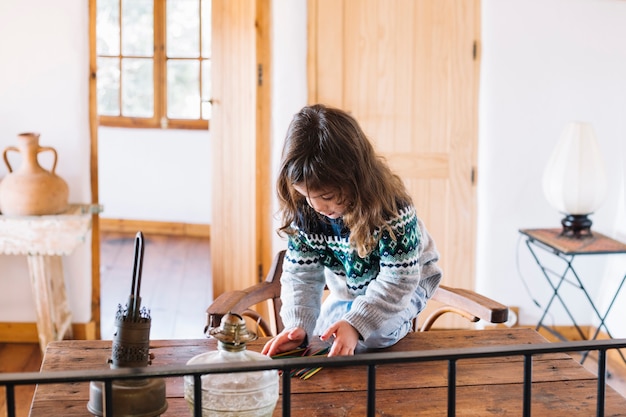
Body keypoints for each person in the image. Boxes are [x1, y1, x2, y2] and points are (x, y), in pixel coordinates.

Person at [262, 104, 442, 358]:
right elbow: (301, 276)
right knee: (324, 337)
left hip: (409, 282)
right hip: (351, 291)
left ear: (354, 177)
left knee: (371, 338)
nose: (317, 206)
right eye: (307, 195)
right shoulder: (308, 211)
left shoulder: (392, 209)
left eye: (327, 195)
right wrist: (297, 326)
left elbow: (398, 279)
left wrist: (357, 323)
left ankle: (387, 320)